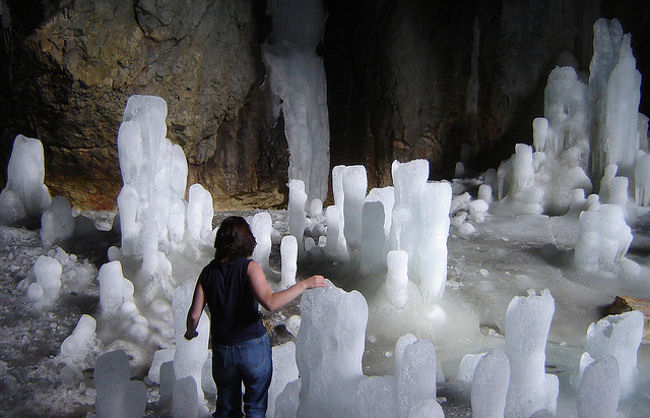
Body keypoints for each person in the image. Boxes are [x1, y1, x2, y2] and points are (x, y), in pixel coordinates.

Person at [184, 216, 325, 417]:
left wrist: (190, 333)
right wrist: (304, 284)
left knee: (226, 408)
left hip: (223, 350)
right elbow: (270, 302)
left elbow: (194, 315)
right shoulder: (249, 267)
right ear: (246, 240)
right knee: (255, 408)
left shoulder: (207, 272)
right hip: (252, 347)